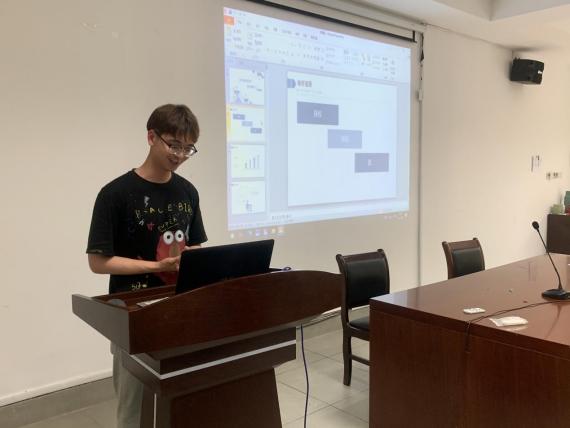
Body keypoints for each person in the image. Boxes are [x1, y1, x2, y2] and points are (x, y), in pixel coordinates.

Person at [86, 104, 207, 428]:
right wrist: (157, 265)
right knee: (134, 408)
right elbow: (98, 262)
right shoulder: (115, 194)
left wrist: (191, 258)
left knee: (181, 401)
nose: (180, 155)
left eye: (188, 148)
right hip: (132, 314)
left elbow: (195, 244)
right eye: (174, 145)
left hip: (180, 307)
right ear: (151, 137)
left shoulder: (188, 192)